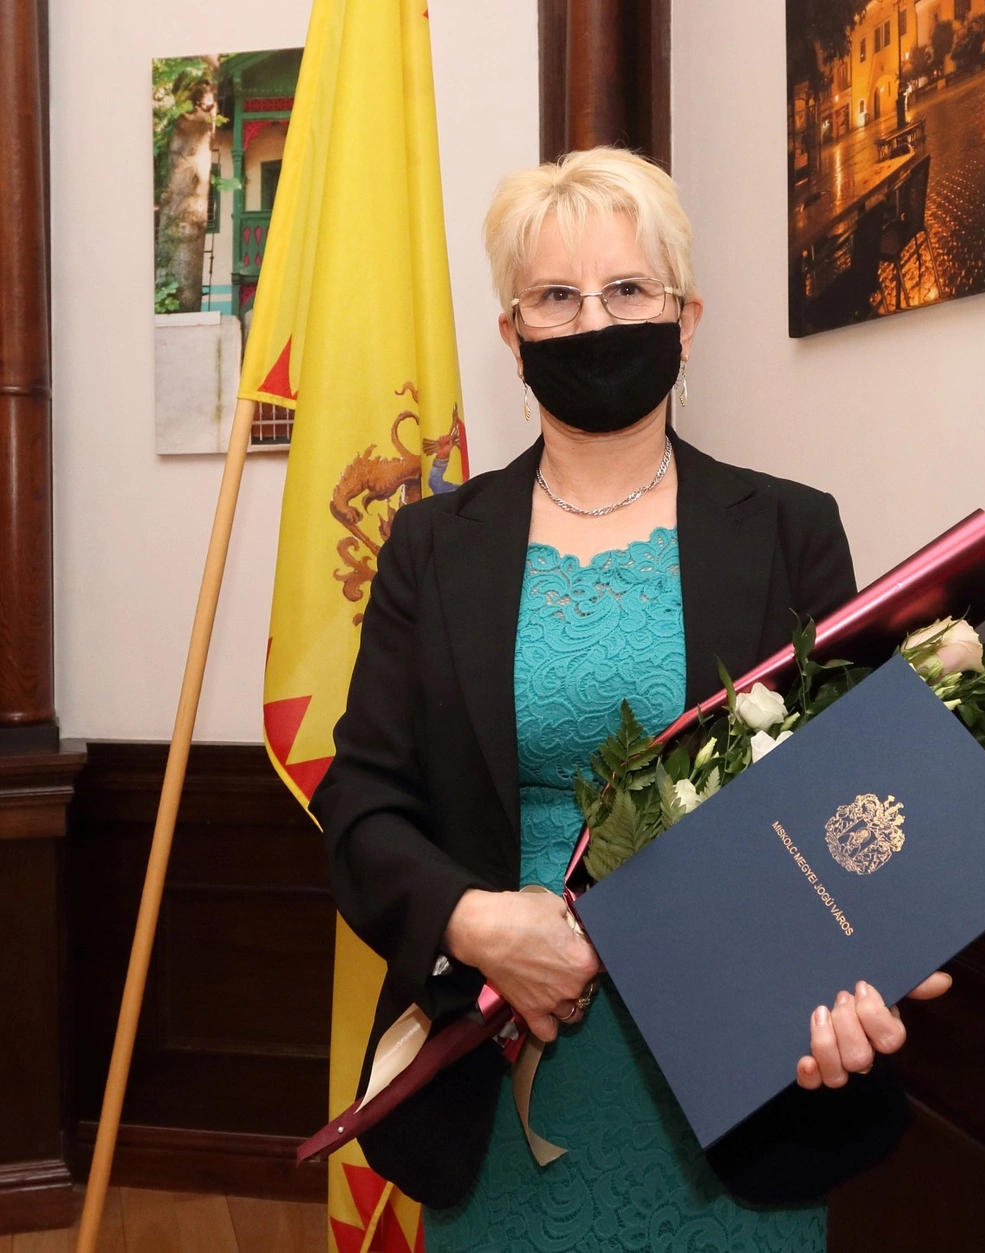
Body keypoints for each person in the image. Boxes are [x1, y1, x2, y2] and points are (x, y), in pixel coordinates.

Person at [312, 146, 951, 1252]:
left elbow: (849, 799)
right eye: (556, 297)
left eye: (627, 290)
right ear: (511, 334)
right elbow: (360, 801)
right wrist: (476, 923)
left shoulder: (789, 528)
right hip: (498, 1050)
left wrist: (871, 963)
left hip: (750, 1072)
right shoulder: (430, 546)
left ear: (685, 319)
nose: (594, 322)